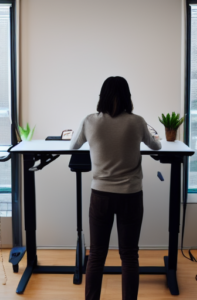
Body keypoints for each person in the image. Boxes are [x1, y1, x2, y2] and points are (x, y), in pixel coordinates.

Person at [69, 76, 161, 300]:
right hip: (130, 195)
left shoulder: (90, 121)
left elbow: (73, 145)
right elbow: (156, 145)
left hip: (100, 195)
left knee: (97, 255)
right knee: (129, 255)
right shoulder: (137, 122)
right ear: (127, 96)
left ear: (102, 96)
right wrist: (151, 134)